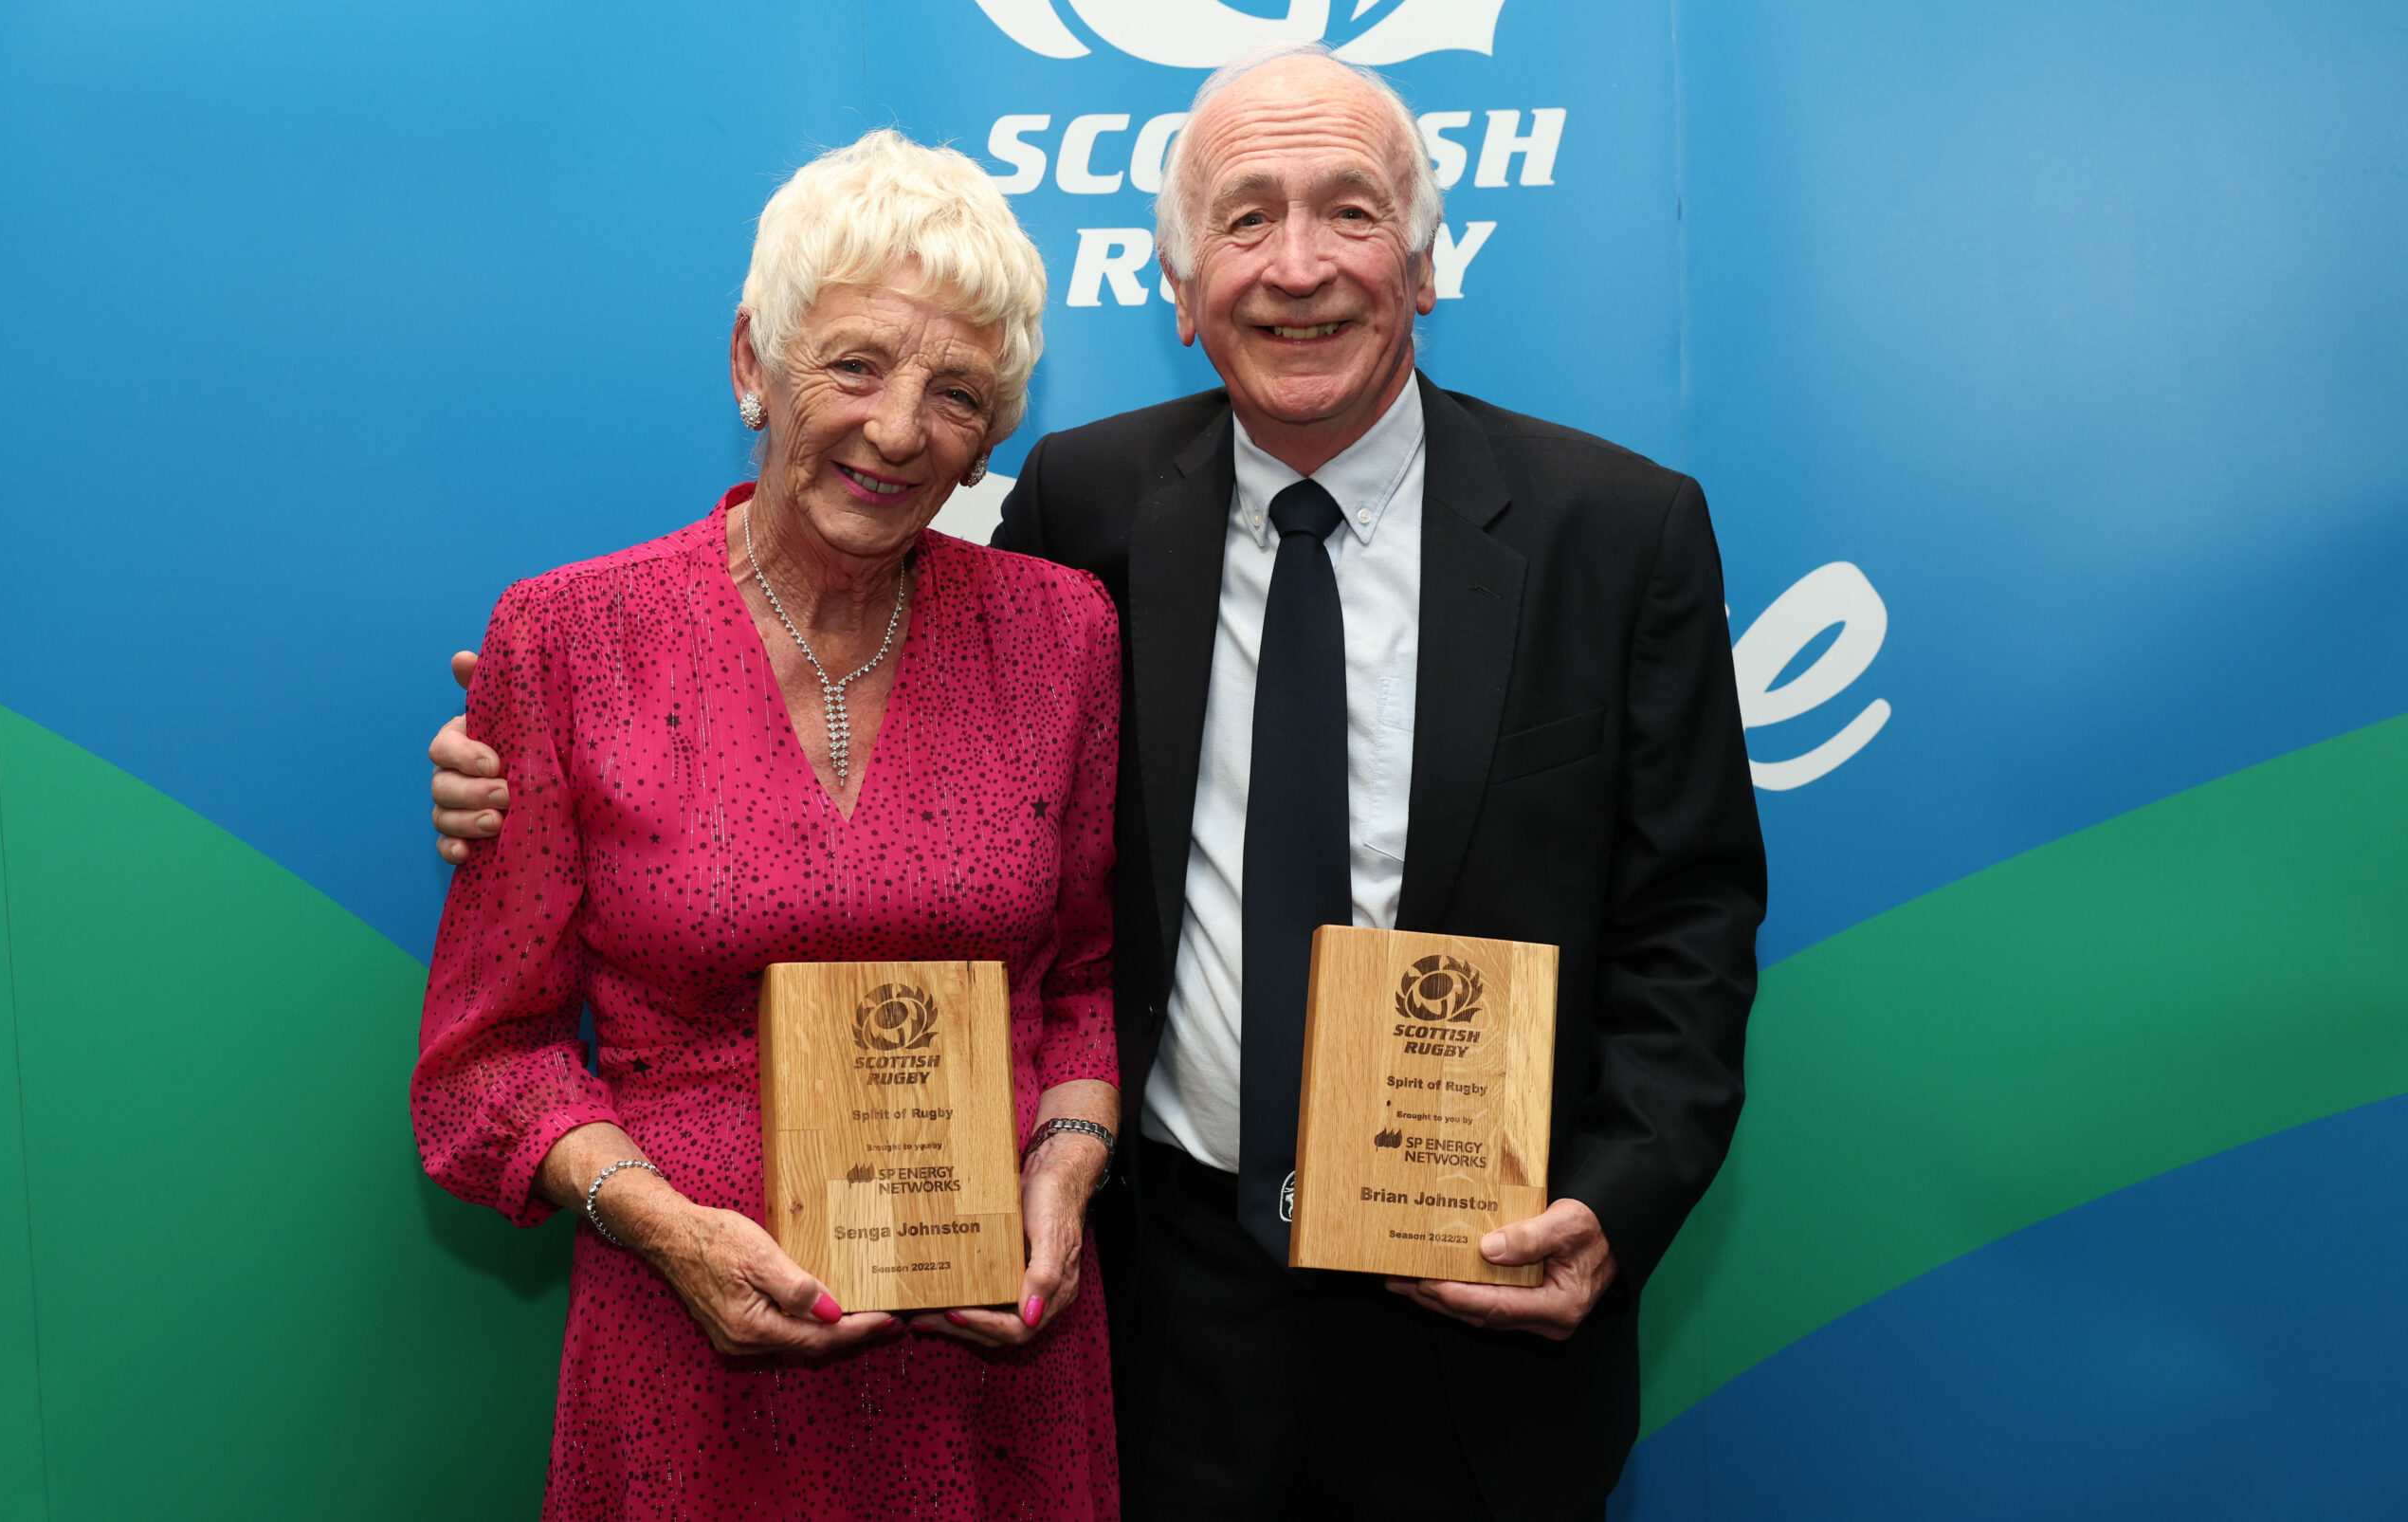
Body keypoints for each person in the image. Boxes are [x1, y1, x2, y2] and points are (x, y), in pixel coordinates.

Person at [436, 46, 1765, 1521]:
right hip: (1159, 1311)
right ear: (1181, 292)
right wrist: (524, 752)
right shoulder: (1092, 511)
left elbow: (1691, 919)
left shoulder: (1618, 532)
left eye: (1352, 212)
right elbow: (859, 725)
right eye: (1246, 220)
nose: (1299, 266)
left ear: (1428, 262)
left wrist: (1615, 1201)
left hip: (1472, 1304)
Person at [413, 129, 1122, 1522]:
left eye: (957, 392)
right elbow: (486, 1062)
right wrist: (663, 1225)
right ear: (754, 360)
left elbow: (1087, 984)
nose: (899, 430)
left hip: (994, 1371)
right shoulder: (570, 638)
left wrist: (1067, 1168)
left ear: (996, 429)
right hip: (688, 1357)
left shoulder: (1063, 633)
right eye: (855, 365)